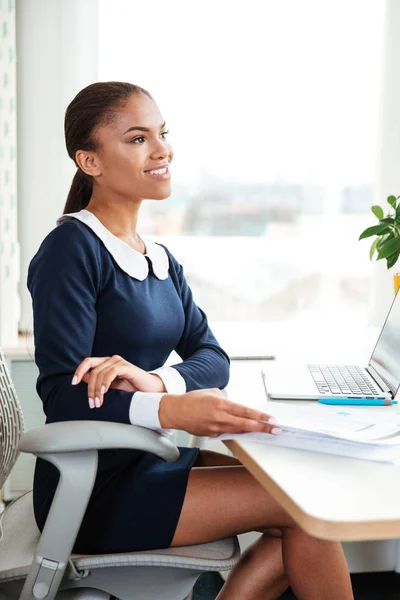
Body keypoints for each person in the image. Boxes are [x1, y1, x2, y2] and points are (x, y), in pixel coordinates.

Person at [28, 81, 353, 600]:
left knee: (306, 506)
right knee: (305, 508)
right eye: (137, 138)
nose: (162, 150)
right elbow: (63, 400)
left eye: (162, 133)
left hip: (148, 460)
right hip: (92, 487)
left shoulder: (157, 257)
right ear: (89, 161)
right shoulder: (71, 249)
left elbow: (213, 358)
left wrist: (157, 381)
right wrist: (172, 411)